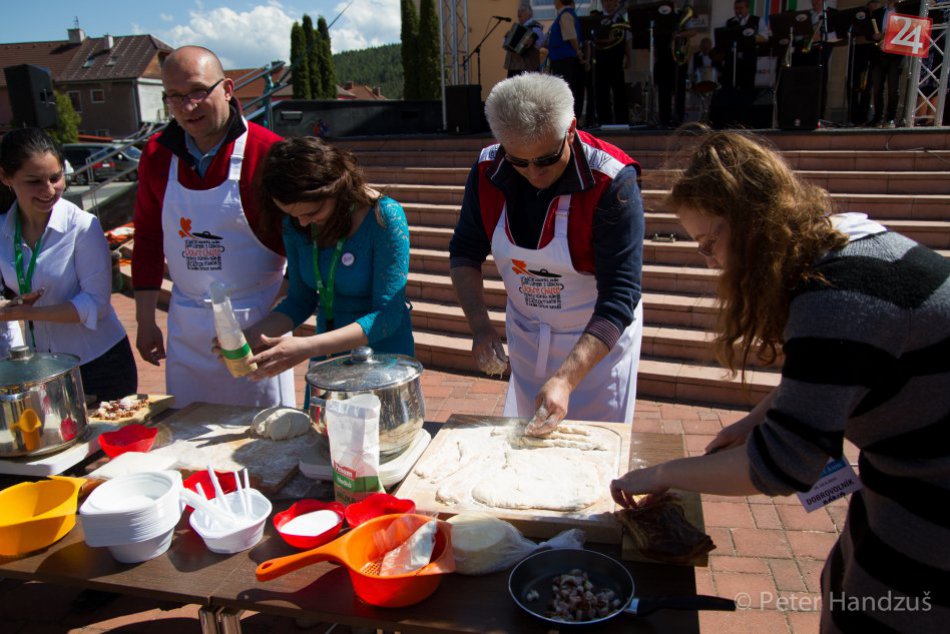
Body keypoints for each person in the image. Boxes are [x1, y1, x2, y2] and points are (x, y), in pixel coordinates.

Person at [610, 131, 950, 633]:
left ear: (749, 221)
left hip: (932, 506)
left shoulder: (836, 295)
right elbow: (849, 368)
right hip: (902, 479)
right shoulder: (841, 246)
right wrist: (760, 416)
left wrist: (662, 474)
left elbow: (781, 466)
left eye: (709, 242)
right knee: (844, 587)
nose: (712, 261)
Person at [449, 73, 644, 434]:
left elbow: (620, 297)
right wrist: (480, 326)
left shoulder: (611, 183)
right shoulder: (487, 171)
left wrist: (567, 380)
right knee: (525, 443)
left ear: (570, 130)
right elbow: (464, 251)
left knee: (592, 449)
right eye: (518, 161)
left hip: (596, 344)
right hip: (526, 333)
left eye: (547, 159)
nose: (533, 173)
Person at [132, 45, 294, 409]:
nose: (187, 107)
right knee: (187, 434)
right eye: (174, 96)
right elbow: (147, 238)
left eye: (197, 92)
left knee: (262, 443)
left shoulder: (268, 152)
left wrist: (275, 321)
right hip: (188, 326)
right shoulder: (157, 154)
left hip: (258, 320)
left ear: (228, 89)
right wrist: (145, 320)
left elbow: (303, 247)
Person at [240, 137, 413, 380]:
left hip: (382, 360)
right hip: (328, 359)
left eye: (313, 212)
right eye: (292, 214)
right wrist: (249, 337)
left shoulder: (383, 217)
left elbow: (388, 315)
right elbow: (300, 300)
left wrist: (308, 346)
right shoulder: (296, 223)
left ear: (337, 188)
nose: (302, 222)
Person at [0, 128, 137, 400]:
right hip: (42, 370)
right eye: (34, 181)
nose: (49, 190)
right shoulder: (2, 229)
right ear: (6, 177)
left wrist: (23, 313)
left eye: (55, 177)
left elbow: (96, 306)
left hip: (99, 364)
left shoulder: (83, 226)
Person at [545, 0, 588, 122]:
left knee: (566, 91)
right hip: (562, 59)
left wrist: (578, 52)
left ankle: (569, 120)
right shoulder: (563, 15)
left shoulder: (565, 15)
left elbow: (571, 36)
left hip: (565, 60)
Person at [594, 0, 634, 125]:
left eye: (611, 1)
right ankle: (604, 121)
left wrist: (629, 58)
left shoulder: (621, 19)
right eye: (606, 2)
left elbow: (627, 40)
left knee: (619, 91)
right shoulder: (596, 17)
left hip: (616, 60)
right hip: (600, 60)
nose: (608, 4)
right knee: (602, 92)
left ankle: (622, 121)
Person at [867, 0, 902, 127]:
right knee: (877, 88)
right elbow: (868, 33)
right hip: (878, 54)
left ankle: (890, 118)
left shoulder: (903, 10)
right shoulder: (877, 12)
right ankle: (877, 117)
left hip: (896, 55)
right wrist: (874, 36)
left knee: (893, 88)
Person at [723, 0, 768, 91]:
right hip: (732, 61)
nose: (738, 11)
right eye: (736, 8)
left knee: (747, 86)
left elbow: (765, 37)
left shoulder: (757, 20)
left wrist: (749, 38)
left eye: (741, 8)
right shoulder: (729, 22)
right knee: (729, 87)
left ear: (747, 8)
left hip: (748, 59)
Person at [504, 3, 544, 78]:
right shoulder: (516, 28)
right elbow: (505, 43)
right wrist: (507, 37)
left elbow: (540, 43)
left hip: (528, 68)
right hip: (513, 68)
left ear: (529, 14)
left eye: (522, 10)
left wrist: (531, 41)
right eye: (518, 11)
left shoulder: (535, 28)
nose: (519, 12)